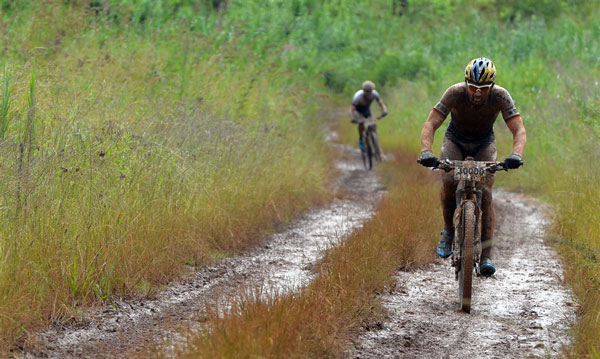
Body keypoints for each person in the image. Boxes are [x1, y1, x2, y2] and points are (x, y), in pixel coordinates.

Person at [417, 57, 527, 276]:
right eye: (473, 87)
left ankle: (486, 255)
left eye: (483, 88)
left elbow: (519, 130)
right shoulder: (454, 93)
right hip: (455, 140)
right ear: (466, 82)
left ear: (492, 86)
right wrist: (426, 151)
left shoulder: (501, 97)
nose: (477, 93)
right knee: (448, 180)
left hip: (484, 143)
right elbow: (431, 123)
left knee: (485, 192)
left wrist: (516, 155)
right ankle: (448, 232)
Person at [350, 80, 388, 155]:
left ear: (372, 90)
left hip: (367, 110)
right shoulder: (358, 97)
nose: (368, 93)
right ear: (363, 91)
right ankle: (361, 139)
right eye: (366, 91)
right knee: (361, 123)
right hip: (358, 111)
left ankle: (375, 143)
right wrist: (352, 118)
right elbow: (351, 109)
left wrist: (384, 111)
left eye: (370, 91)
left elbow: (381, 104)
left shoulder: (375, 94)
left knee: (373, 125)